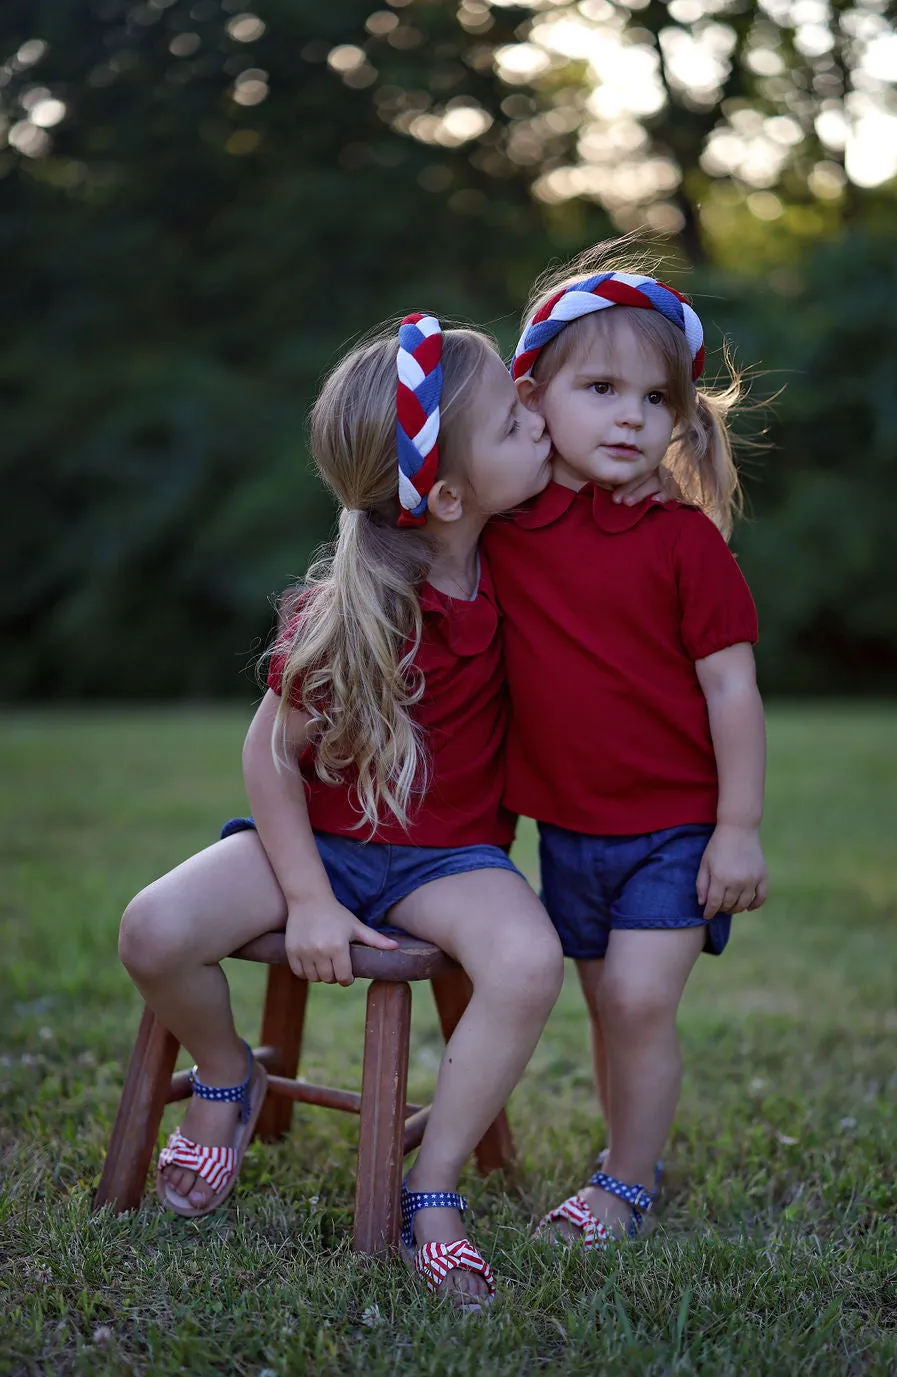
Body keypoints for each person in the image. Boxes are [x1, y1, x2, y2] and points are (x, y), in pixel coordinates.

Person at [118, 314, 563, 1309]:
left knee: (529, 961)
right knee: (153, 927)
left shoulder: (523, 559)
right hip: (314, 843)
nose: (535, 420)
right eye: (509, 420)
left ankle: (432, 1182)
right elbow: (271, 752)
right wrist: (308, 898)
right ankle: (229, 1076)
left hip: (448, 858)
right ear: (445, 494)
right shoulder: (354, 608)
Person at [486, 252, 768, 1248]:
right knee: (609, 1006)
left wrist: (736, 829)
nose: (629, 417)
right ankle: (621, 1148)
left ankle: (627, 1182)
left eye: (654, 398)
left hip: (676, 827)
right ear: (532, 396)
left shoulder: (684, 541)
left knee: (643, 998)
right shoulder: (501, 530)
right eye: (599, 388)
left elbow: (731, 687)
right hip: (568, 826)